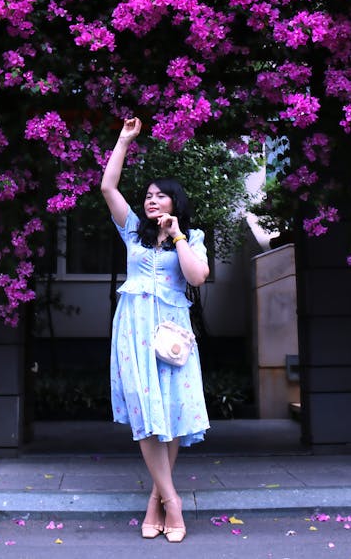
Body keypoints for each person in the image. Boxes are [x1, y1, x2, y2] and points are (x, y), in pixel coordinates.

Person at [101, 117, 210, 543]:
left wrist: (178, 237)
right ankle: (173, 502)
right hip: (133, 331)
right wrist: (124, 140)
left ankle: (155, 500)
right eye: (148, 195)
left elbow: (197, 278)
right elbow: (109, 188)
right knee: (146, 412)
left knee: (172, 409)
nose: (151, 200)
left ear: (174, 202)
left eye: (160, 195)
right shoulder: (133, 232)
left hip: (173, 333)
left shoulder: (192, 235)